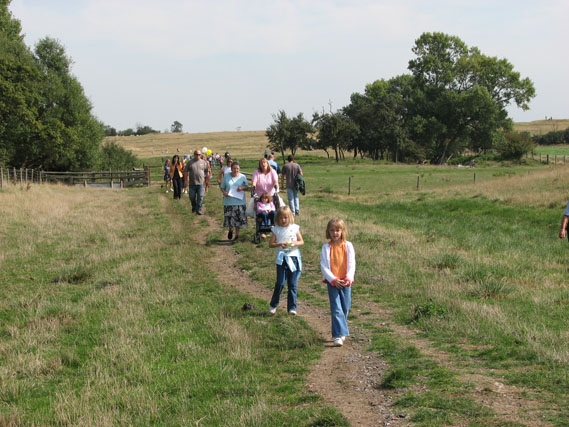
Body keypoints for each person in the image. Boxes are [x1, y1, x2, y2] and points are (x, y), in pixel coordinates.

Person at [320, 218, 356, 347]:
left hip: (345, 281)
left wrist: (348, 278)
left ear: (342, 231)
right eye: (332, 230)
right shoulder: (326, 247)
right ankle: (337, 335)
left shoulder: (348, 246)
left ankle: (341, 329)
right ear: (328, 232)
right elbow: (324, 266)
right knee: (336, 308)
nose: (335, 233)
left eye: (337, 230)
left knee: (345, 307)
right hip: (333, 282)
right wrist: (333, 279)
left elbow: (352, 264)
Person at [268, 206, 304, 316]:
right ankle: (273, 304)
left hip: (293, 257)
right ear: (277, 219)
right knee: (280, 283)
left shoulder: (294, 228)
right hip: (282, 258)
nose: (283, 220)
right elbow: (270, 244)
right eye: (281, 218)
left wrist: (294, 243)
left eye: (286, 217)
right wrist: (279, 244)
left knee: (292, 284)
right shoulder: (276, 229)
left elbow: (301, 241)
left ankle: (292, 308)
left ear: (290, 217)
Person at [220, 161, 248, 240]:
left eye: (237, 168)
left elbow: (247, 187)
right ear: (231, 169)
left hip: (240, 201)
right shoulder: (226, 176)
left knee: (239, 219)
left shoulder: (243, 177)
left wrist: (242, 188)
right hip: (229, 201)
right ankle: (230, 230)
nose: (236, 170)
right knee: (230, 218)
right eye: (234, 168)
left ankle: (237, 235)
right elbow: (222, 187)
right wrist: (224, 192)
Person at [184, 149, 209, 215]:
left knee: (200, 196)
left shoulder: (204, 162)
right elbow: (186, 171)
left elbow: (207, 171)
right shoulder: (190, 162)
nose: (198, 156)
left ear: (201, 155)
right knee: (192, 197)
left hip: (201, 183)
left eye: (199, 154)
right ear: (194, 155)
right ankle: (194, 206)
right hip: (192, 183)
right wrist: (186, 180)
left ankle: (199, 209)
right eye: (196, 154)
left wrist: (207, 180)